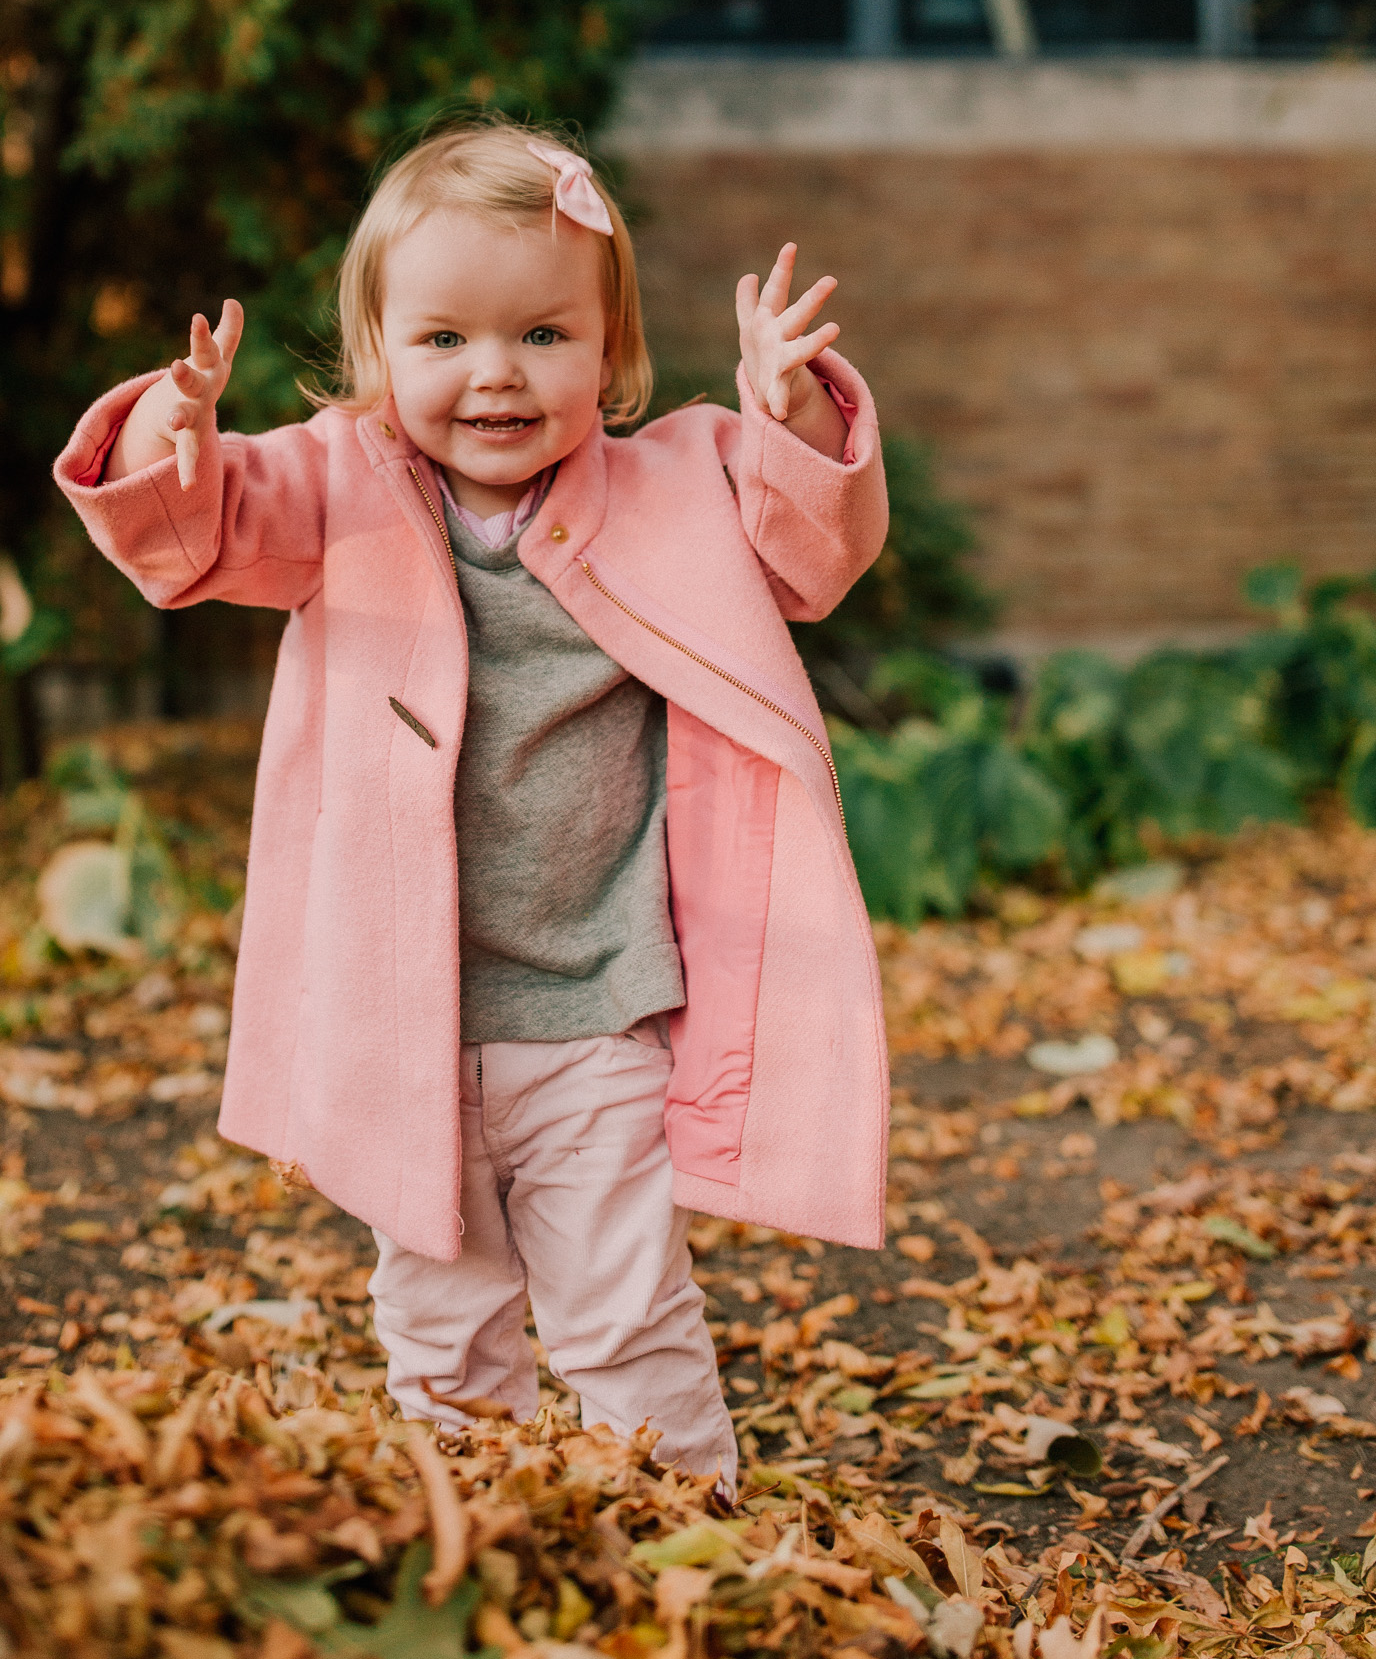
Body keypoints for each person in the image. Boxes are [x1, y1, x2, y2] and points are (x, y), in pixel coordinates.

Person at [54, 116, 890, 1492]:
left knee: (623, 1317)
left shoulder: (678, 485)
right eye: (443, 340)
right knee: (442, 1327)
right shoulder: (336, 486)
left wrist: (789, 410)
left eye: (543, 337)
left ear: (610, 356)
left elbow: (808, 550)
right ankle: (481, 1534)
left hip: (600, 1013)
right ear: (378, 359)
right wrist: (171, 423)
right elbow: (186, 535)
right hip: (405, 1023)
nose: (495, 374)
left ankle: (692, 1538)